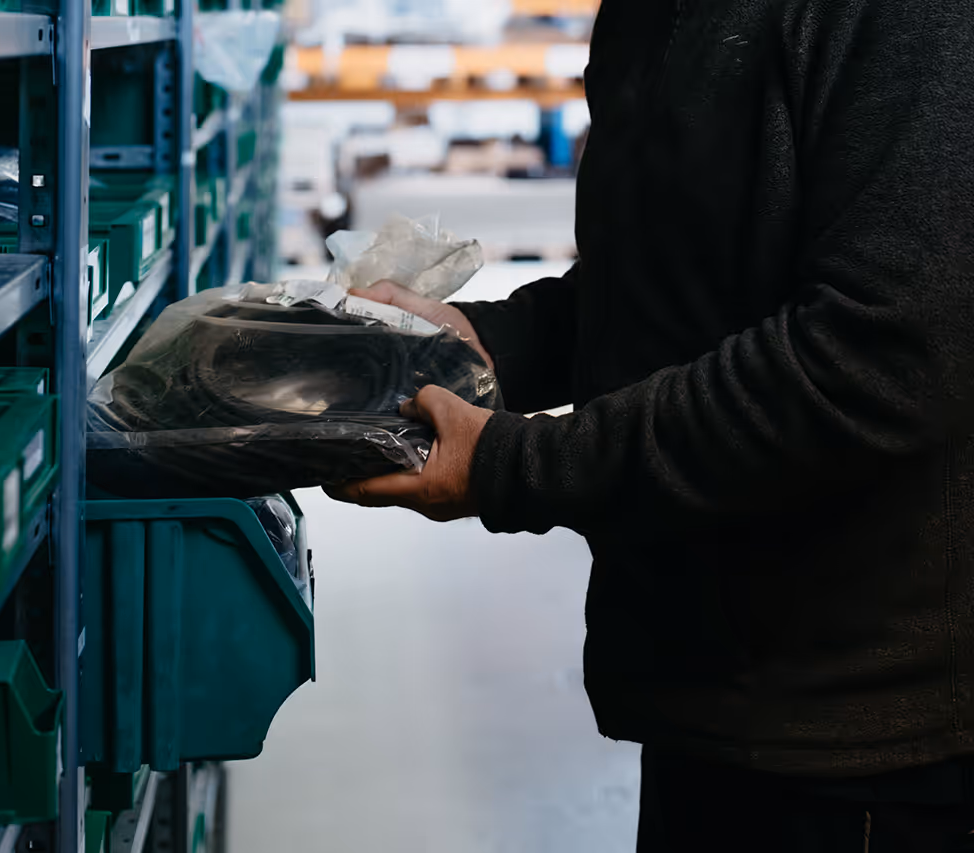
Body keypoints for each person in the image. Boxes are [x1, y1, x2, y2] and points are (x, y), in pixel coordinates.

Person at [327, 0, 974, 850]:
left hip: (859, 726)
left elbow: (880, 359)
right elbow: (671, 279)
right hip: (697, 675)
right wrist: (485, 345)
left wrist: (515, 466)